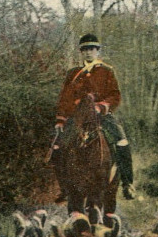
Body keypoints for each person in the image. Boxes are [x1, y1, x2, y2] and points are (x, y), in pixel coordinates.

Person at [53, 34, 136, 201]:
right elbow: (65, 97)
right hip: (77, 116)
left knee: (121, 141)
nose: (88, 52)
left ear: (97, 51)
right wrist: (61, 119)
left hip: (101, 115)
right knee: (57, 146)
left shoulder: (106, 71)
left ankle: (127, 184)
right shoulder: (73, 73)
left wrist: (102, 106)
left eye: (91, 49)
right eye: (84, 50)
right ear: (81, 52)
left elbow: (115, 95)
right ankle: (64, 187)